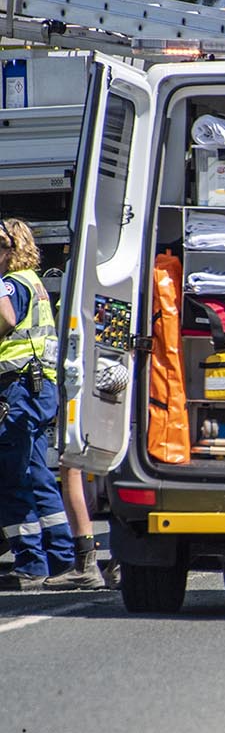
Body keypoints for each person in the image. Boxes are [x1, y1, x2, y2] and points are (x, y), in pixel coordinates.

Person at [0, 219, 73, 591]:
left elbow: (6, 320)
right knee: (37, 473)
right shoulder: (36, 282)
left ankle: (30, 562)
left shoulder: (10, 284)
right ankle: (62, 556)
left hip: (19, 389)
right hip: (39, 388)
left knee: (13, 477)